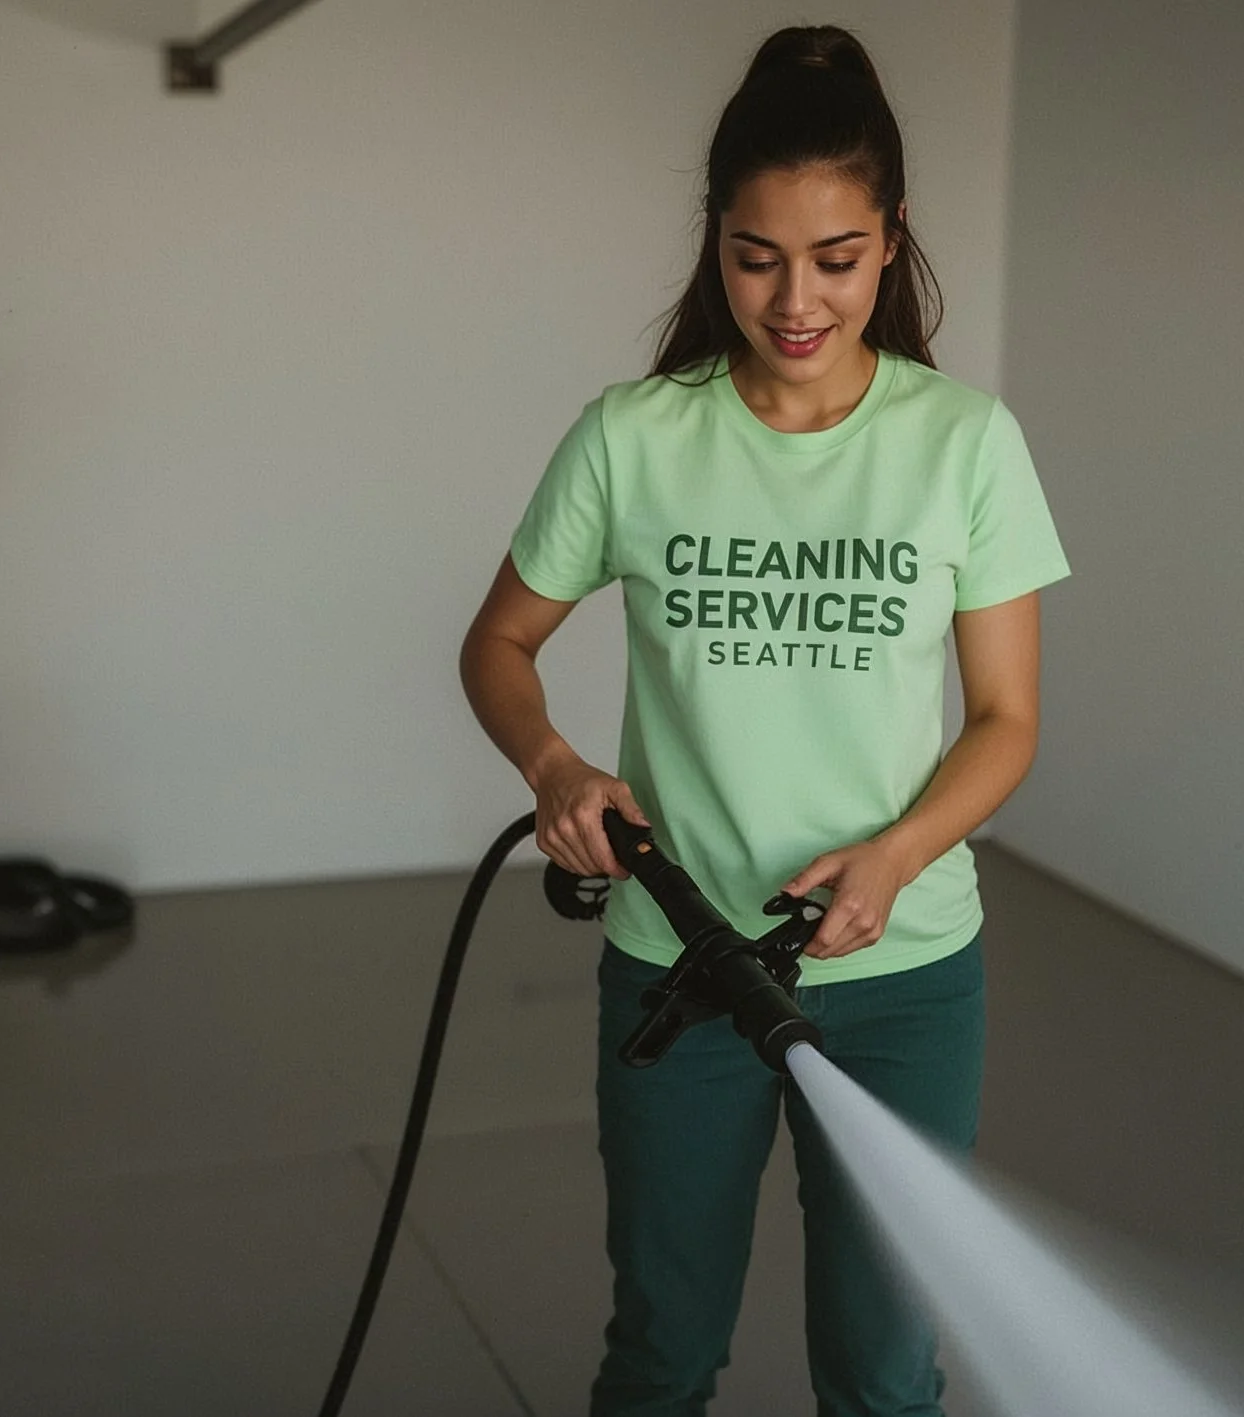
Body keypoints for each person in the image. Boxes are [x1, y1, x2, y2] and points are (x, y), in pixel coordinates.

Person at [457, 24, 1070, 1417]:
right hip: (676, 963)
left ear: (891, 240)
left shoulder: (966, 444)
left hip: (905, 979)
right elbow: (499, 641)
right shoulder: (633, 436)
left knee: (885, 1372)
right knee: (661, 1355)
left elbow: (1006, 718)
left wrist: (898, 855)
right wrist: (553, 763)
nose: (796, 300)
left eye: (837, 259)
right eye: (756, 257)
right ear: (714, 243)